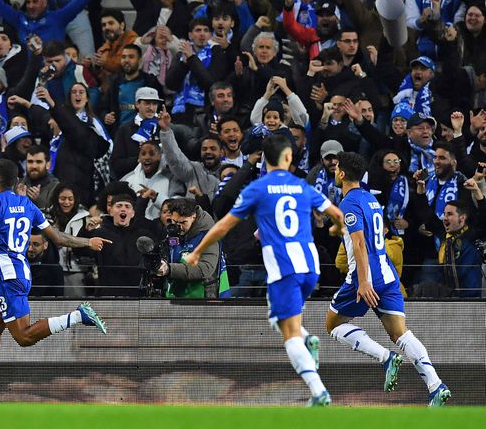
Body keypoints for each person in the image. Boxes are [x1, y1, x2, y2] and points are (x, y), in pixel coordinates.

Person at [185, 135, 348, 406]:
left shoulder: (258, 189)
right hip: (310, 267)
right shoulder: (302, 185)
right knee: (276, 318)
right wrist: (337, 228)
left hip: (284, 268)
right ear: (289, 158)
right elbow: (337, 214)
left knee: (288, 334)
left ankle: (318, 391)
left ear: (263, 158)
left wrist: (197, 251)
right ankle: (307, 339)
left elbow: (223, 225)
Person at [0, 159, 110, 403]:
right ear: (17, 182)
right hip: (18, 272)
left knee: (24, 337)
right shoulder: (27, 204)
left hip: (8, 277)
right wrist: (88, 242)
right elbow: (58, 238)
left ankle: (78, 316)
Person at [325, 152, 451, 407]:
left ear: (342, 173)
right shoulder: (370, 199)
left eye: (337, 168)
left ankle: (385, 358)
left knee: (333, 325)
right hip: (387, 273)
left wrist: (363, 282)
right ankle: (436, 385)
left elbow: (360, 243)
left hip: (366, 276)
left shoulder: (348, 202)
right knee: (400, 333)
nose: (335, 172)